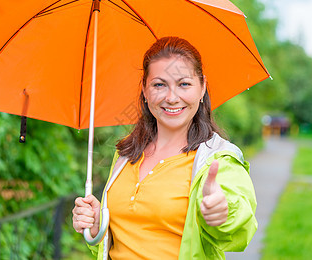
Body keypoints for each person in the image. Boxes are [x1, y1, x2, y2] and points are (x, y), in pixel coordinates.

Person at [72, 37, 257, 259]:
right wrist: (97, 228)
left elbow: (239, 230)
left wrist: (222, 212)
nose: (171, 97)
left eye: (184, 84)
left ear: (202, 88)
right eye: (159, 84)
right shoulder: (126, 154)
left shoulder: (217, 159)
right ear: (144, 89)